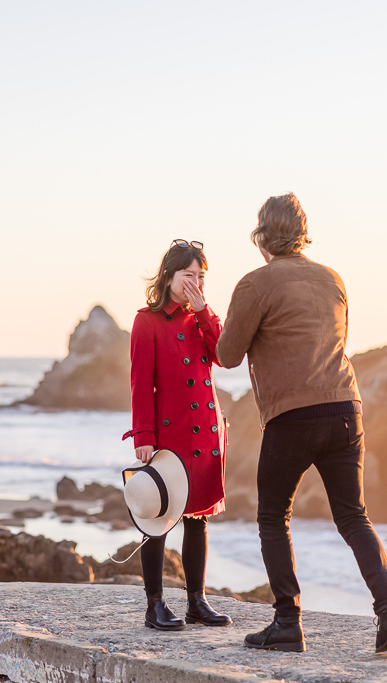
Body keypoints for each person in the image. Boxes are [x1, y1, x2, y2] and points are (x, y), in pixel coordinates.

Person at [216, 194, 387, 654]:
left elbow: (226, 355)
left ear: (262, 237)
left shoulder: (255, 283)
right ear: (303, 235)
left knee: (272, 517)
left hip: (292, 417)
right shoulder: (333, 279)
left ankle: (287, 624)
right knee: (353, 516)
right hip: (346, 409)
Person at [122, 238, 233, 631]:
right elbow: (140, 383)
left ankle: (196, 602)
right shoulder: (146, 321)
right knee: (159, 515)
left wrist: (203, 310)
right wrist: (144, 435)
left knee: (198, 519)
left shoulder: (200, 316)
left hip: (203, 434)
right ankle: (154, 605)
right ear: (169, 277)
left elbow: (224, 353)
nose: (196, 284)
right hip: (170, 435)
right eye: (189, 276)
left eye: (201, 277)